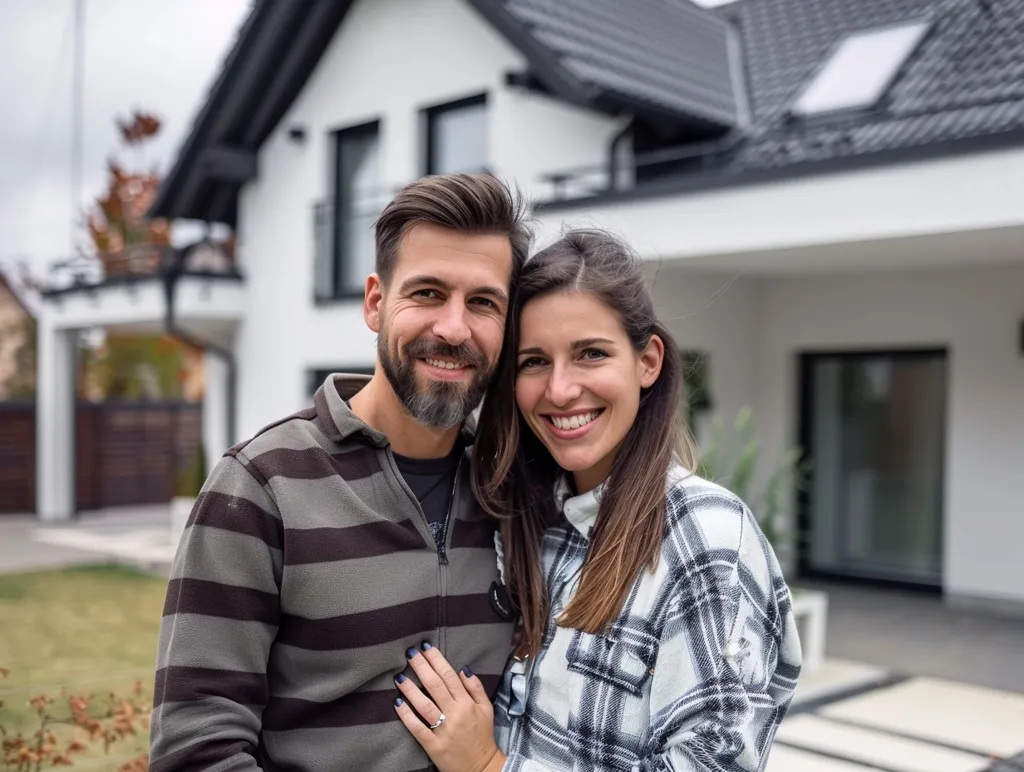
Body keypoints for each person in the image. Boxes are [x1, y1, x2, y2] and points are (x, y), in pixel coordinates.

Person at [149, 174, 532, 772]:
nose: (454, 328)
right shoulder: (260, 485)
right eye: (428, 293)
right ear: (376, 303)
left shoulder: (514, 490)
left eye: (482, 302)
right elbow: (197, 748)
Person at [392, 230, 802, 772]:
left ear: (647, 361)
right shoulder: (532, 521)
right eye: (534, 362)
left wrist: (489, 767)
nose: (560, 390)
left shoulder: (705, 542)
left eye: (590, 354)